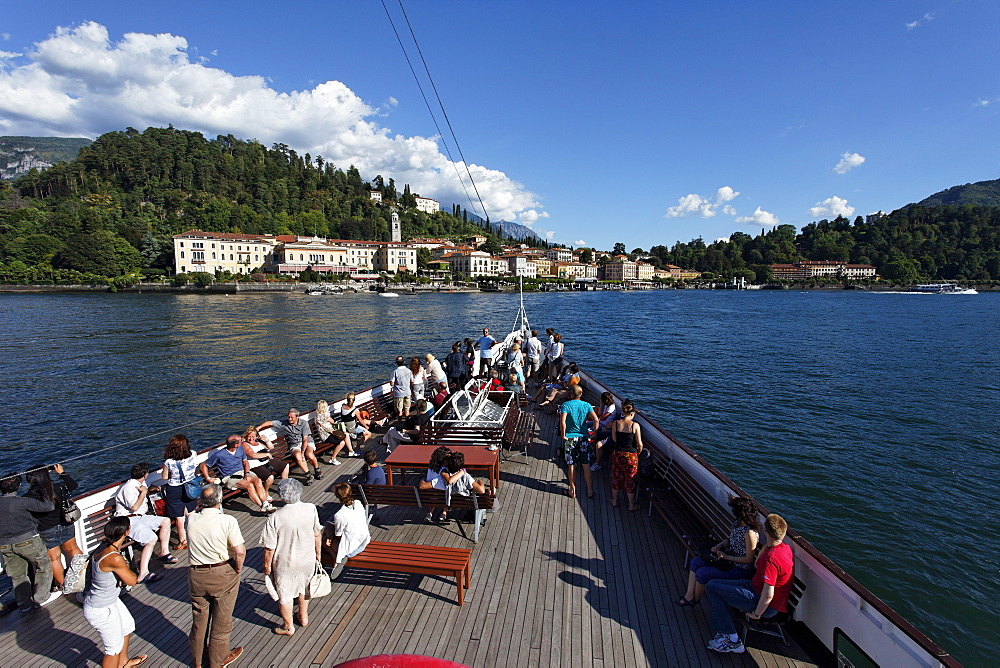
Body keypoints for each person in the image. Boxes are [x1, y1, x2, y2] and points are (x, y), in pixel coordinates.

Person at [704, 513, 795, 654]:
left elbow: (768, 594)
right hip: (753, 587)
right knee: (712, 583)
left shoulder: (770, 559)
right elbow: (758, 564)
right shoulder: (784, 548)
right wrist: (765, 547)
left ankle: (731, 639)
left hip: (763, 604)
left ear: (766, 532)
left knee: (712, 588)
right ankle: (726, 633)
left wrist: (757, 614)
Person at [186, 484, 245, 668]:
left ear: (201, 501)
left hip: (196, 574)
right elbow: (240, 551)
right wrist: (237, 568)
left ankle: (197, 662)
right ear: (219, 501)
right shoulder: (227, 521)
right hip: (221, 573)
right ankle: (217, 662)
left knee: (199, 621)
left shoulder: (191, 519)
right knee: (221, 624)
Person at [82, 517, 146, 668]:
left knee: (127, 625)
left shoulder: (103, 546)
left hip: (109, 600)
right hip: (101, 609)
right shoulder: (114, 558)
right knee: (113, 649)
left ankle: (124, 663)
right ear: (126, 532)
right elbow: (132, 580)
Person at [260, 479, 321, 636]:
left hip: (285, 562)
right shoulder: (311, 508)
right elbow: (316, 534)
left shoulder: (275, 517)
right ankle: (303, 616)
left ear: (281, 495)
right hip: (307, 557)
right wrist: (318, 554)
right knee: (304, 587)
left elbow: (269, 548)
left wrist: (266, 567)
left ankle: (288, 626)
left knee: (285, 593)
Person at [678, 496, 760, 607]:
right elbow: (730, 540)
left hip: (739, 569)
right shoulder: (738, 523)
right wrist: (719, 546)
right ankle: (689, 596)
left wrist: (726, 557)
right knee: (695, 562)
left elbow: (749, 559)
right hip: (727, 561)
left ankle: (695, 600)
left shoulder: (750, 533)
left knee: (702, 573)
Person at [25, 463, 84, 594]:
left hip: (46, 529)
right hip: (65, 523)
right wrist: (62, 473)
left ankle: (64, 586)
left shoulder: (28, 498)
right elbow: (73, 485)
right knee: (73, 549)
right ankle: (82, 576)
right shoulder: (58, 487)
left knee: (54, 558)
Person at [0, 472, 54, 612]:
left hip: (4, 545)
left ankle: (24, 604)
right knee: (43, 565)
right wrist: (45, 488)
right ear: (18, 486)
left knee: (18, 575)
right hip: (27, 541)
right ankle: (40, 598)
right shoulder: (22, 502)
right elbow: (48, 507)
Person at [113, 462, 175, 583]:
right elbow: (134, 507)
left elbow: (147, 487)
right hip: (129, 519)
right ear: (145, 475)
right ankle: (143, 573)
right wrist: (143, 493)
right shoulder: (128, 488)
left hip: (141, 517)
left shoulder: (141, 483)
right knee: (151, 539)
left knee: (165, 521)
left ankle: (164, 552)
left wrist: (153, 488)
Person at [200, 436, 275, 514]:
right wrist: (208, 478)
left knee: (258, 481)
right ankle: (263, 507)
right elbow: (204, 464)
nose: (242, 441)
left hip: (242, 472)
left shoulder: (240, 449)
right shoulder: (219, 454)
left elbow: (245, 462)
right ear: (235, 444)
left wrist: (247, 473)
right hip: (229, 477)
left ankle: (265, 503)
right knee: (249, 485)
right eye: (240, 441)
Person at [258, 409, 322, 485]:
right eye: (288, 417)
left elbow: (305, 439)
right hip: (295, 444)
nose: (289, 419)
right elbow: (270, 423)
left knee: (309, 454)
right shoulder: (285, 423)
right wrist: (259, 427)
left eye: (292, 417)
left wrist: (302, 452)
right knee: (298, 456)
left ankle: (317, 469)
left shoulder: (303, 423)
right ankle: (308, 474)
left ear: (297, 416)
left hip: (307, 443)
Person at [558, 385, 600, 499]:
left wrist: (563, 435)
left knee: (571, 465)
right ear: (581, 394)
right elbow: (596, 420)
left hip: (570, 438)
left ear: (571, 394)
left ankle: (572, 491)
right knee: (586, 464)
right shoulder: (586, 405)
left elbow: (563, 422)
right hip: (583, 437)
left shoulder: (566, 405)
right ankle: (590, 491)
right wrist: (594, 434)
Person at [161, 434, 200, 551]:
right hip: (190, 486)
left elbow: (164, 477)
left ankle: (183, 541)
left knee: (179, 517)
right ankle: (197, 535)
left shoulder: (169, 462)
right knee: (191, 512)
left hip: (175, 489)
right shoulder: (193, 454)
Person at [326, 483, 371, 579]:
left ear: (337, 496)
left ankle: (336, 559)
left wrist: (329, 536)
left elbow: (338, 535)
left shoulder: (340, 515)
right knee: (330, 529)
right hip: (363, 542)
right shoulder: (358, 503)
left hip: (350, 550)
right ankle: (337, 560)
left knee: (325, 537)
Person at [608, 399, 644, 511]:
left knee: (616, 477)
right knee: (630, 479)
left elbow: (614, 439)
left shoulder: (616, 423)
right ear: (632, 413)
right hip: (631, 455)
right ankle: (631, 505)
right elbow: (639, 444)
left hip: (617, 453)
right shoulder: (635, 426)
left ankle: (614, 500)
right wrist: (638, 452)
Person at [241, 426, 290, 492]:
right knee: (270, 477)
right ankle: (265, 492)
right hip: (256, 466)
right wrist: (266, 454)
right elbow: (252, 455)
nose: (251, 438)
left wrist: (266, 440)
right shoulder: (244, 444)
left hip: (267, 462)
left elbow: (271, 447)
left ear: (256, 436)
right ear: (246, 436)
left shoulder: (258, 442)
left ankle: (285, 487)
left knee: (285, 466)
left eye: (253, 436)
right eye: (249, 436)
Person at [313, 400, 356, 466]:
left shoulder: (316, 415)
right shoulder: (326, 415)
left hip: (326, 433)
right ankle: (333, 458)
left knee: (346, 434)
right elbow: (332, 421)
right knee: (342, 442)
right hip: (326, 435)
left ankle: (351, 451)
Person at [417, 446, 451, 523]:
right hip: (443, 495)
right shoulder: (445, 470)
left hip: (431, 494)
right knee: (447, 490)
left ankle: (430, 512)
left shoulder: (431, 468)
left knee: (436, 493)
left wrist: (422, 480)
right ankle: (444, 511)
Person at [590, 392, 621, 472]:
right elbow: (599, 414)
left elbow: (602, 418)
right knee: (585, 425)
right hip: (600, 423)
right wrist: (601, 405)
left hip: (603, 426)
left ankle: (595, 456)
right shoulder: (606, 405)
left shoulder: (611, 407)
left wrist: (601, 406)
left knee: (591, 431)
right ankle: (592, 451)